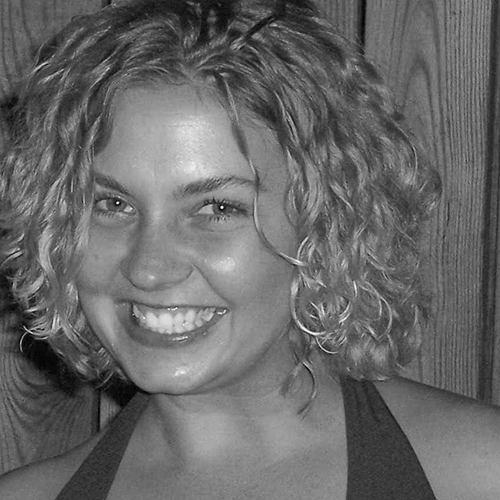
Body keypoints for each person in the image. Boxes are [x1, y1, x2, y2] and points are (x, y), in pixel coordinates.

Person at [0, 0, 499, 498]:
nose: (148, 269)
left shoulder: (478, 471)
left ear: (328, 225)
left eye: (217, 209)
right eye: (112, 204)